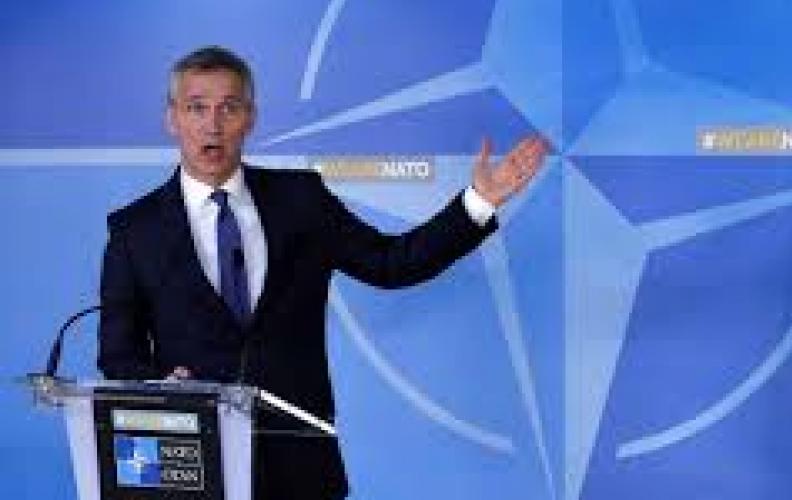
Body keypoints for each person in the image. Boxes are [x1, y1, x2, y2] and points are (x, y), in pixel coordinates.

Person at [98, 45, 547, 499]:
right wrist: (164, 387)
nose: (212, 124)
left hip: (301, 464)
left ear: (250, 118)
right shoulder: (135, 230)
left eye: (228, 108)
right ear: (172, 119)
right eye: (197, 108)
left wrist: (478, 203)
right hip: (190, 465)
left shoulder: (301, 199)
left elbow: (392, 263)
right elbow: (118, 354)